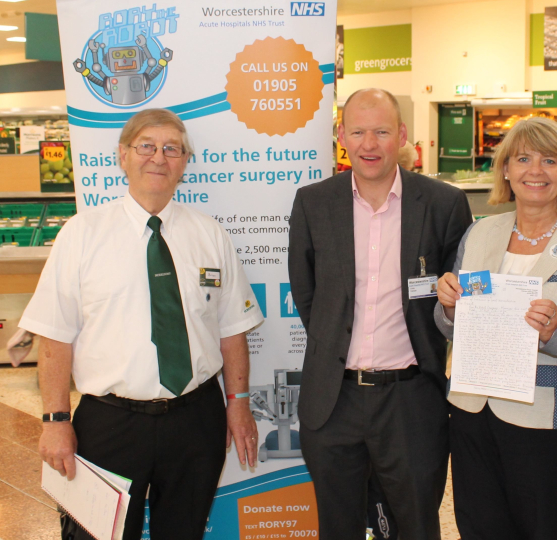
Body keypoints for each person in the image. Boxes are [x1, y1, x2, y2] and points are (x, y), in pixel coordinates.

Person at [22, 109, 264, 540]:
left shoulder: (210, 235)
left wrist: (239, 403)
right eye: (146, 146)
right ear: (123, 156)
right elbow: (55, 337)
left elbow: (232, 329)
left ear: (185, 162)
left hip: (195, 420)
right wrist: (55, 421)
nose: (159, 157)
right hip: (109, 424)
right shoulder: (82, 234)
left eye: (172, 149)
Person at [288, 88, 472, 540]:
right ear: (341, 136)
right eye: (358, 132)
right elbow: (307, 295)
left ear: (402, 135)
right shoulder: (313, 203)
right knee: (338, 527)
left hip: (411, 400)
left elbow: (457, 298)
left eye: (382, 131)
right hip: (334, 400)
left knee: (415, 526)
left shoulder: (444, 205)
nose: (369, 144)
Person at [434, 116, 557, 539]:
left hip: (553, 427)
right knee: (481, 529)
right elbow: (451, 328)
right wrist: (449, 308)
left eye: (550, 161)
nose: (535, 171)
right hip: (474, 416)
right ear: (506, 169)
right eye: (522, 159)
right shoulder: (479, 234)